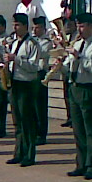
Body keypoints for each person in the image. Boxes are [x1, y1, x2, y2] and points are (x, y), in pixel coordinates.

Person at [61, 12, 92, 180]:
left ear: (91, 26)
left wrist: (79, 57)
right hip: (74, 87)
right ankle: (81, 163)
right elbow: (69, 65)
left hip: (90, 89)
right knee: (78, 129)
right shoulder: (78, 43)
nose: (79, 30)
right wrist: (61, 64)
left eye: (82, 26)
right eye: (78, 26)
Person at [5, 13, 40, 167]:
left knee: (27, 121)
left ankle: (29, 154)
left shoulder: (32, 44)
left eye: (18, 25)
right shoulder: (13, 43)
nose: (15, 27)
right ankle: (19, 152)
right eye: (14, 24)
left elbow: (34, 67)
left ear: (25, 26)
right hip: (15, 83)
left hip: (26, 84)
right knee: (17, 121)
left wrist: (16, 59)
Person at [32, 16, 54, 145]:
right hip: (30, 73)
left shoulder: (46, 42)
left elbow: (41, 53)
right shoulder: (32, 41)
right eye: (33, 28)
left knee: (40, 106)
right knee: (32, 106)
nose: (35, 30)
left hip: (40, 74)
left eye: (38, 28)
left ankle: (41, 134)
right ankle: (34, 132)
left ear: (43, 29)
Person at [60, 16, 79, 128]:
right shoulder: (66, 36)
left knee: (72, 96)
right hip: (66, 65)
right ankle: (69, 117)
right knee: (66, 94)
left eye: (69, 25)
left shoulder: (77, 36)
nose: (67, 27)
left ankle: (74, 119)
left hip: (73, 66)